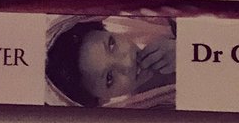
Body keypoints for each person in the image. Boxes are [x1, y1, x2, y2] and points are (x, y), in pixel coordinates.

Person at [45, 14, 177, 109]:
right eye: (109, 78)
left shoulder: (151, 21)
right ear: (102, 100)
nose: (128, 62)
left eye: (112, 44)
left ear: (105, 29)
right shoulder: (148, 119)